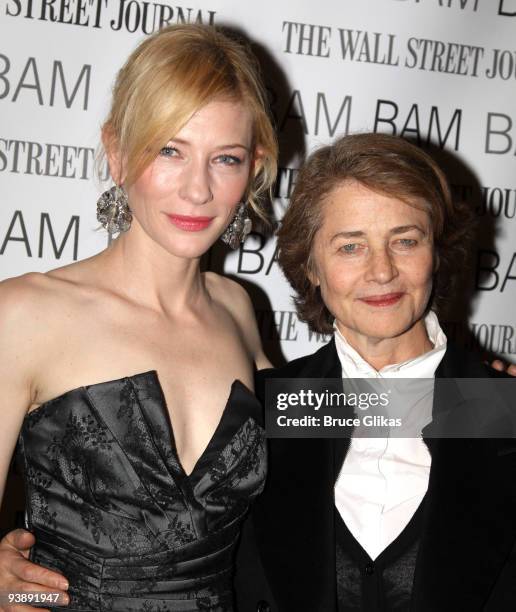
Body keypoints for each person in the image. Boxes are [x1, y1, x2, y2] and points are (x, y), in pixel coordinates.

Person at [0, 23, 277, 612]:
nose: (198, 190)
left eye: (224, 159)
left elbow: (325, 427)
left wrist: (483, 398)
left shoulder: (236, 309)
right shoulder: (24, 314)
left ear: (252, 168)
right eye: (170, 151)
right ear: (118, 152)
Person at [234, 133, 516, 612]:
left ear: (438, 252)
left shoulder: (504, 410)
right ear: (312, 266)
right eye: (350, 247)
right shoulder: (259, 410)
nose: (382, 271)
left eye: (404, 241)